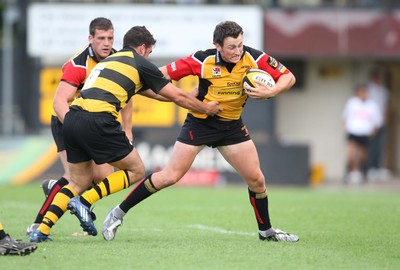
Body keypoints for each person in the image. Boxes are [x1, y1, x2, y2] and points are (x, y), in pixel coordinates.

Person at [82, 20, 299, 242]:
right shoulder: (201, 60)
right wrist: (144, 89)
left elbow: (288, 77)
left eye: (240, 45)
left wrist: (271, 91)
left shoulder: (254, 58)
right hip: (200, 123)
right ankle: (117, 213)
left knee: (257, 180)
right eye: (232, 47)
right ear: (217, 46)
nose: (238, 51)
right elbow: (157, 76)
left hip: (232, 126)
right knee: (170, 176)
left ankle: (266, 231)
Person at [29, 25, 221, 243]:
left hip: (72, 120)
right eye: (149, 52)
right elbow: (175, 95)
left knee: (77, 181)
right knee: (137, 170)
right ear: (142, 48)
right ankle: (85, 202)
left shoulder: (112, 60)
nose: (149, 56)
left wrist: (187, 96)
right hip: (99, 120)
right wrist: (205, 108)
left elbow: (156, 93)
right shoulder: (139, 62)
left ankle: (41, 230)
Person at [26, 17, 121, 236]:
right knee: (75, 178)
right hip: (65, 121)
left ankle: (58, 190)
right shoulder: (77, 64)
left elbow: (127, 92)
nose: (106, 43)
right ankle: (38, 224)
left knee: (104, 178)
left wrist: (127, 129)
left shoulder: (117, 60)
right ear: (90, 39)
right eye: (101, 38)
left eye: (110, 38)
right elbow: (59, 102)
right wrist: (76, 127)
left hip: (90, 124)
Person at [342, 84, 382, 184]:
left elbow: (377, 121)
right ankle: (350, 173)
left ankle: (361, 173)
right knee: (351, 154)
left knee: (362, 156)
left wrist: (373, 132)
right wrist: (346, 127)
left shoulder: (372, 105)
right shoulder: (352, 103)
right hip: (353, 132)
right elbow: (345, 116)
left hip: (365, 133)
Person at [366, 68, 390, 181]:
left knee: (380, 147)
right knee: (371, 147)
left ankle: (377, 168)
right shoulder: (369, 90)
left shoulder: (384, 91)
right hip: (370, 124)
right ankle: (370, 168)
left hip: (381, 123)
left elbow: (384, 107)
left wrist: (383, 120)